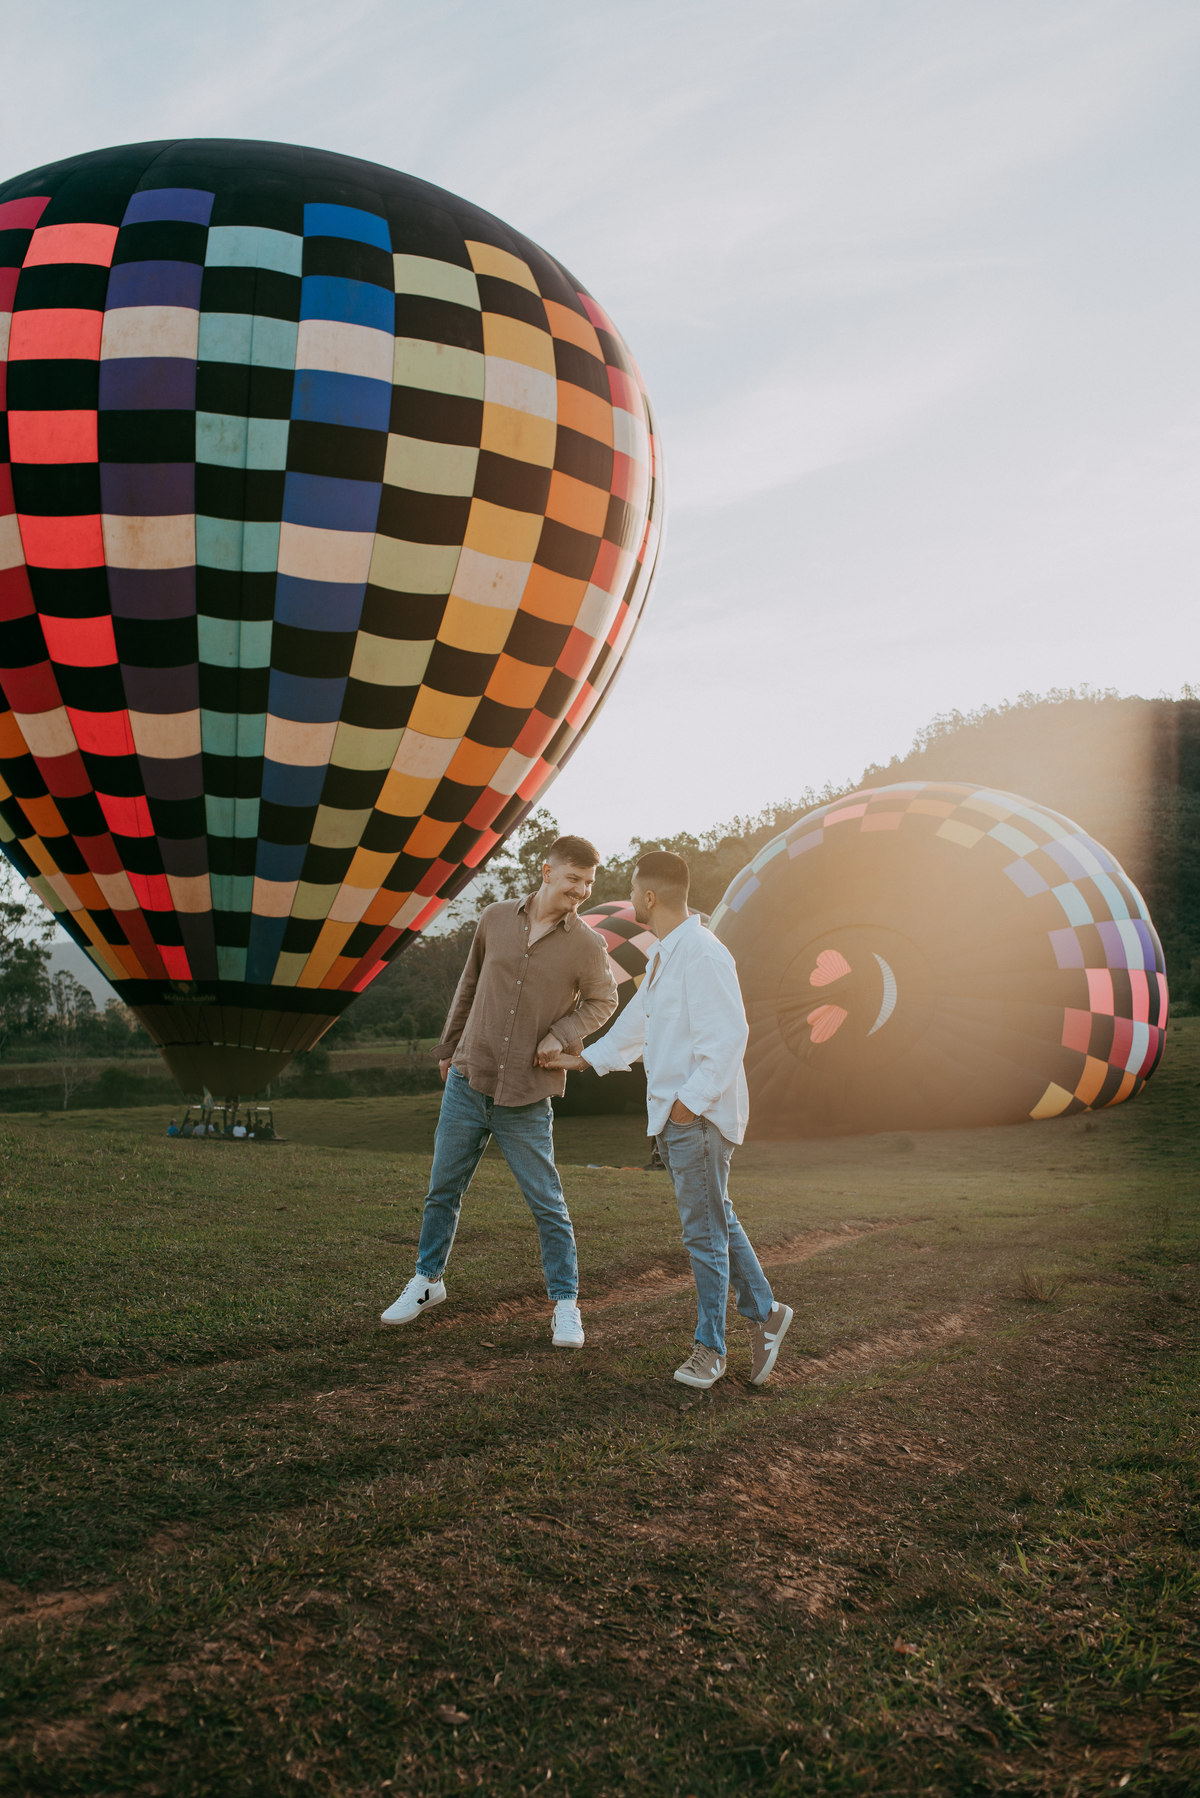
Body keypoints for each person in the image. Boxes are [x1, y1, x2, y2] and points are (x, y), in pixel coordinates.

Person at [548, 851, 792, 1389]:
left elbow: (728, 1038)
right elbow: (637, 1023)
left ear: (650, 896)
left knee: (703, 1236)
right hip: (678, 1118)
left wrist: (688, 1104)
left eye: (635, 889)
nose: (631, 897)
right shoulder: (665, 954)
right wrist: (583, 1059)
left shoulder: (703, 954)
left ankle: (711, 1350)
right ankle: (767, 1312)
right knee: (718, 1219)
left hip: (695, 1118)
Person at [380, 835, 618, 1348]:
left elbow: (604, 1001)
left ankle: (566, 1304)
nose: (581, 890)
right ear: (547, 871)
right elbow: (468, 984)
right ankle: (427, 1281)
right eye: (573, 878)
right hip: (469, 1080)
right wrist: (449, 1048)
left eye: (588, 883)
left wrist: (561, 1034)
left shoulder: (587, 944)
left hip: (527, 1095)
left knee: (547, 1205)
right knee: (442, 1190)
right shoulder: (494, 919)